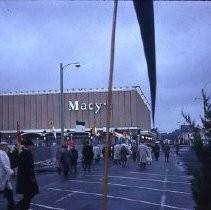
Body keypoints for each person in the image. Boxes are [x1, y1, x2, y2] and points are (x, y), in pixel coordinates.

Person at [16, 139, 39, 210]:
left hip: (23, 178)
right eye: (32, 146)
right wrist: (32, 177)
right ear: (29, 146)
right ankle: (21, 205)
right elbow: (29, 167)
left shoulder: (23, 153)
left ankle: (23, 206)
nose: (33, 147)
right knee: (30, 193)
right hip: (27, 178)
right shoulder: (27, 153)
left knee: (27, 194)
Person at [0, 141, 15, 210]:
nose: (6, 147)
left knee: (9, 191)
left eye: (6, 145)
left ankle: (11, 206)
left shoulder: (4, 153)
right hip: (2, 175)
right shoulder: (0, 153)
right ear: (1, 146)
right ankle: (11, 206)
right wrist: (10, 171)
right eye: (5, 145)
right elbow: (4, 164)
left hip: (5, 176)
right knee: (7, 191)